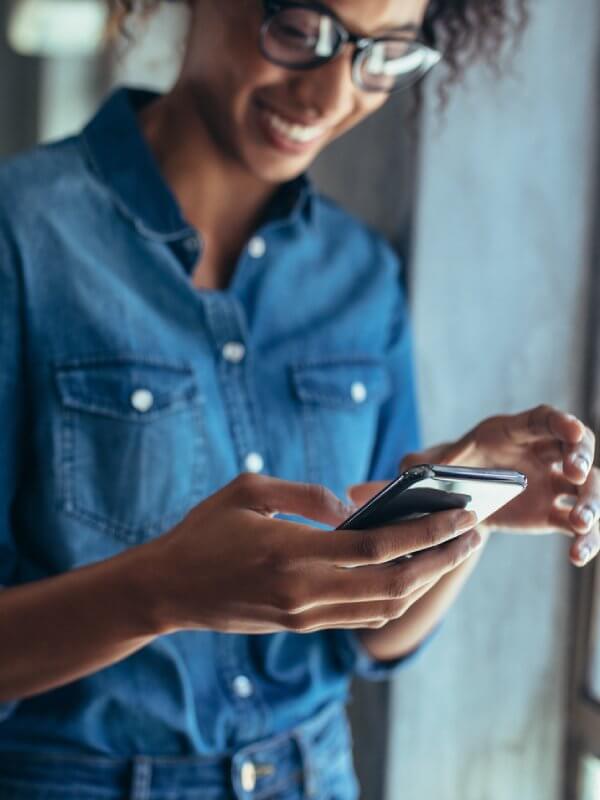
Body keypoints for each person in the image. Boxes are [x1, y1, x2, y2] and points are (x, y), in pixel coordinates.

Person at [0, 0, 598, 798]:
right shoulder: (21, 237)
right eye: (300, 32)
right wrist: (161, 591)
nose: (327, 97)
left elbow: (370, 640)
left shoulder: (360, 277)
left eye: (383, 55)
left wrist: (462, 511)